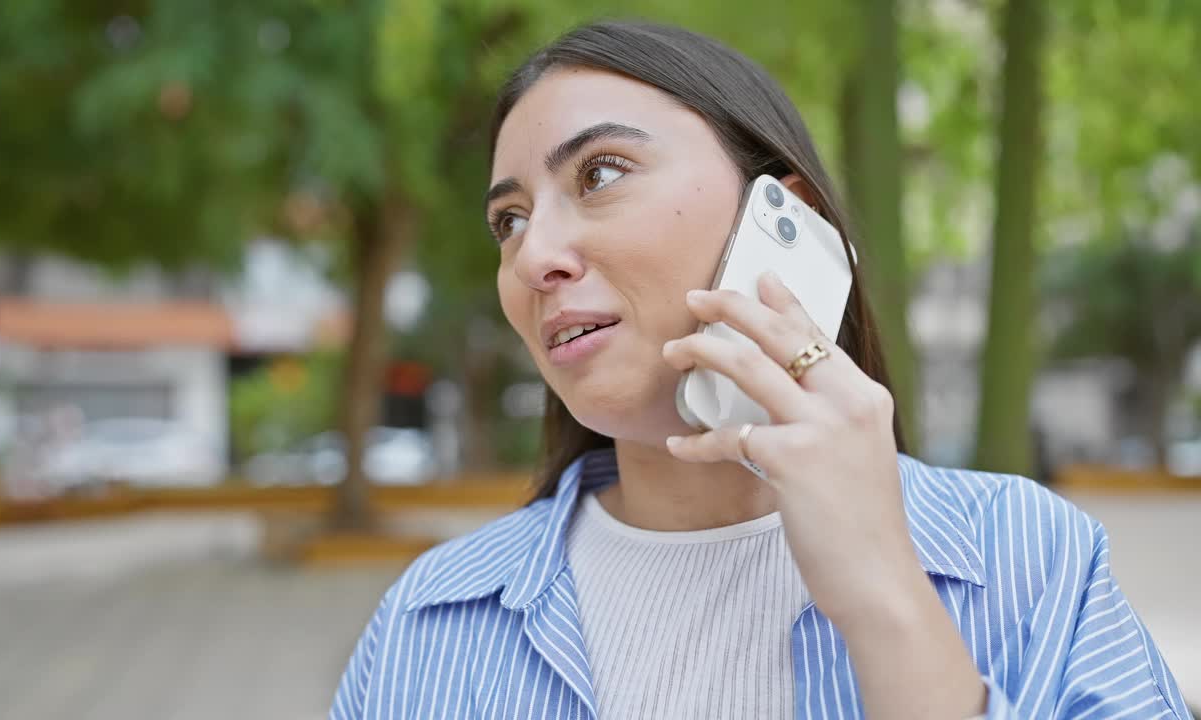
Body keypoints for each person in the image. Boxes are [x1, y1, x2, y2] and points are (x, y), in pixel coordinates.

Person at [329, 20, 1192, 720]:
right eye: (508, 221)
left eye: (600, 173)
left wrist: (888, 603)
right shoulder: (428, 620)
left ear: (789, 216)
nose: (533, 257)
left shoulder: (1029, 558)